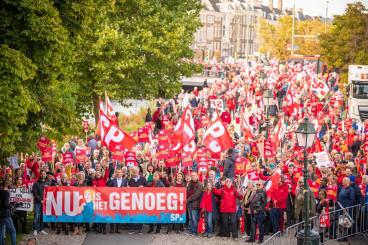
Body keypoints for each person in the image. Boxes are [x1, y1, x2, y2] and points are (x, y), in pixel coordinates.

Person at [108, 168, 128, 233]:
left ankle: (117, 229)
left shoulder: (125, 181)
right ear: (116, 173)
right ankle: (111, 229)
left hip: (121, 200)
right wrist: (111, 178)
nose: (119, 173)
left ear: (122, 173)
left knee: (119, 214)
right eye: (117, 172)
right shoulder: (113, 180)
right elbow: (107, 186)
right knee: (112, 214)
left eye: (120, 172)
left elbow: (127, 189)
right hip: (113, 200)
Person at [128, 166, 146, 235]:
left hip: (141, 200)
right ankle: (132, 229)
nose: (135, 172)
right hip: (132, 200)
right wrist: (128, 188)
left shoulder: (143, 179)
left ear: (138, 171)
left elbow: (148, 187)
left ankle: (139, 229)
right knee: (132, 214)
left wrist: (143, 187)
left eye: (136, 171)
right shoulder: (130, 180)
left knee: (140, 214)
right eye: (133, 171)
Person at [186, 171, 203, 235]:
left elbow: (196, 195)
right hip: (189, 204)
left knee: (194, 219)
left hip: (195, 204)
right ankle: (192, 230)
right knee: (191, 219)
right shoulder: (189, 183)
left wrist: (187, 200)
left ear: (197, 176)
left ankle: (195, 231)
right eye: (192, 175)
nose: (193, 176)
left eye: (194, 175)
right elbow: (187, 192)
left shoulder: (200, 184)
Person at [0, 181, 16, 245]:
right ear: (7, 185)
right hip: (5, 214)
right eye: (11, 184)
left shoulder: (1, 192)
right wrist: (12, 205)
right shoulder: (6, 192)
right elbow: (6, 205)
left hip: (1, 214)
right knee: (13, 231)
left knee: (1, 230)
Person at [32, 170, 48, 236]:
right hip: (37, 202)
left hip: (44, 203)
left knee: (42, 216)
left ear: (45, 175)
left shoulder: (47, 183)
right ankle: (35, 229)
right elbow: (34, 193)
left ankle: (41, 229)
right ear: (40, 175)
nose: (43, 175)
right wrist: (40, 200)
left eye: (44, 174)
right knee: (37, 216)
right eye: (42, 174)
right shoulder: (36, 183)